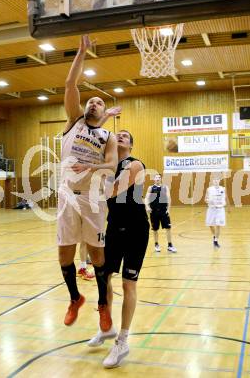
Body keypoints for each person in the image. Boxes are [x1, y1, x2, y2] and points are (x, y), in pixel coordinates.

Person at [58, 35, 121, 332]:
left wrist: (92, 165)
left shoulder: (107, 136)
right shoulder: (73, 121)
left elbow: (111, 165)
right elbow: (71, 85)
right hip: (67, 195)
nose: (94, 103)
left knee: (97, 256)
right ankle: (74, 298)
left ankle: (102, 305)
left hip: (93, 198)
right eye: (92, 101)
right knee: (64, 253)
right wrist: (81, 52)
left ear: (103, 112)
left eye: (100, 102)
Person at [88, 130, 150, 368]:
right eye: (118, 135)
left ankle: (122, 340)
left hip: (136, 230)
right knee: (104, 278)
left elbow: (112, 190)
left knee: (128, 283)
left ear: (131, 145)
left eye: (125, 136)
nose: (121, 137)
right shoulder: (108, 165)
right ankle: (107, 327)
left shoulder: (135, 164)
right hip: (113, 228)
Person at [145, 173, 177, 253]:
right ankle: (156, 244)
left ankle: (170, 245)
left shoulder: (165, 187)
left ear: (161, 179)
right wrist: (147, 207)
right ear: (154, 179)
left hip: (163, 211)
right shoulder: (151, 188)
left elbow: (169, 198)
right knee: (155, 229)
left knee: (168, 228)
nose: (158, 178)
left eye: (159, 177)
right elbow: (146, 198)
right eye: (156, 177)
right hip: (154, 212)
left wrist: (168, 209)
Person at [205, 177, 228, 248]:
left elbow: (225, 199)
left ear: (219, 180)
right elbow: (205, 199)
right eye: (214, 179)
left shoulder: (223, 189)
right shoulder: (209, 189)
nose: (216, 181)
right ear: (212, 181)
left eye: (217, 179)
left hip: (220, 209)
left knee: (218, 225)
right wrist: (209, 201)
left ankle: (216, 241)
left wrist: (224, 203)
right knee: (210, 224)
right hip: (211, 209)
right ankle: (215, 236)